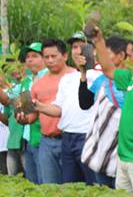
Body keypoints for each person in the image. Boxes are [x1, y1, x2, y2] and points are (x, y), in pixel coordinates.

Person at [92, 27, 133, 197]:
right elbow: (108, 70)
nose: (127, 60)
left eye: (130, 55)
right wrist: (99, 41)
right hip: (124, 158)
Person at [40, 32, 102, 184]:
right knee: (70, 187)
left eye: (82, 46)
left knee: (94, 186)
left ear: (93, 50)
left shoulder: (100, 74)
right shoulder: (68, 78)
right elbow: (59, 109)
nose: (78, 50)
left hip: (87, 136)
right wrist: (36, 105)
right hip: (67, 137)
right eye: (74, 47)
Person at [79, 36, 132, 188]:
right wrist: (83, 74)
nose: (99, 59)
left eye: (104, 54)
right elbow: (84, 103)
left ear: (121, 56)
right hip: (101, 152)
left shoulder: (130, 80)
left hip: (122, 154)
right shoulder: (100, 79)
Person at [27, 39, 76, 184]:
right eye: (46, 57)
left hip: (69, 139)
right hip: (46, 140)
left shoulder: (76, 78)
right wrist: (22, 117)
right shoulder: (38, 84)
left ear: (65, 56)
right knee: (49, 186)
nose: (50, 60)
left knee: (73, 187)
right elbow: (31, 116)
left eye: (54, 56)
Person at [1, 43, 46, 182]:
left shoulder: (47, 78)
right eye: (27, 57)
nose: (29, 60)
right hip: (28, 139)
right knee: (34, 183)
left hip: (44, 138)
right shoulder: (27, 82)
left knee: (46, 183)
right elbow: (9, 100)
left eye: (34, 56)